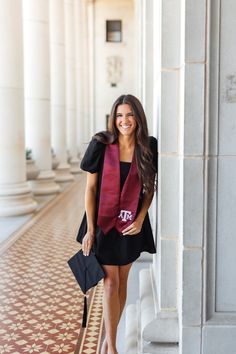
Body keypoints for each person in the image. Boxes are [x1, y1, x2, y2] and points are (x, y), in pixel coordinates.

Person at [77, 94, 157, 354]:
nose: (125, 121)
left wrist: (142, 216)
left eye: (130, 115)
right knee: (110, 283)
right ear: (114, 118)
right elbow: (90, 189)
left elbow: (149, 189)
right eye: (120, 115)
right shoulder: (101, 144)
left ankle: (108, 338)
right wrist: (90, 230)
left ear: (138, 117)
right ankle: (112, 347)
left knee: (122, 281)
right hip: (102, 222)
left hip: (130, 223)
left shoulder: (148, 146)